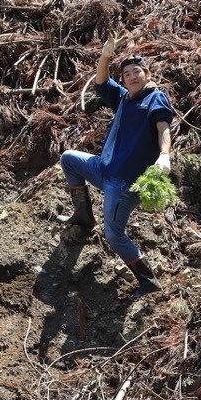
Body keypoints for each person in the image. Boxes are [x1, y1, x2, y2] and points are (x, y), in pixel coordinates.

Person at [56, 38, 173, 297]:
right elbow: (101, 82)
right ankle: (84, 216)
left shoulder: (155, 99)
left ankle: (148, 280)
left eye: (137, 72)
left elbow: (163, 128)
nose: (132, 77)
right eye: (127, 74)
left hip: (123, 183)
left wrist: (164, 155)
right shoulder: (124, 99)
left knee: (114, 234)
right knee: (68, 158)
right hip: (104, 170)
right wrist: (105, 56)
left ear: (148, 74)